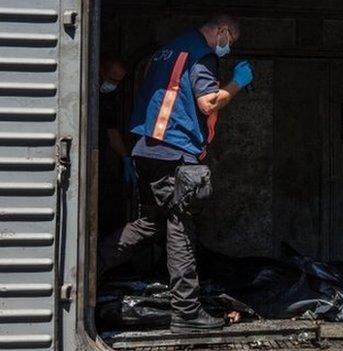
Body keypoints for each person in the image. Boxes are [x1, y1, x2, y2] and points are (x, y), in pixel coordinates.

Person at [97, 14, 253, 333]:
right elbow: (208, 103)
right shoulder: (201, 55)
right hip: (174, 151)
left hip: (148, 149)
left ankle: (85, 269)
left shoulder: (169, 50)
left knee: (149, 223)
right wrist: (238, 82)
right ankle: (187, 312)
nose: (228, 46)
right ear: (221, 31)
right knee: (180, 225)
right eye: (230, 40)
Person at [98, 55, 136, 234]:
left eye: (118, 81)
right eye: (112, 79)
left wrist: (125, 158)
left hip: (101, 158)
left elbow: (111, 132)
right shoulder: (86, 90)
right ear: (102, 71)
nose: (114, 85)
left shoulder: (108, 98)